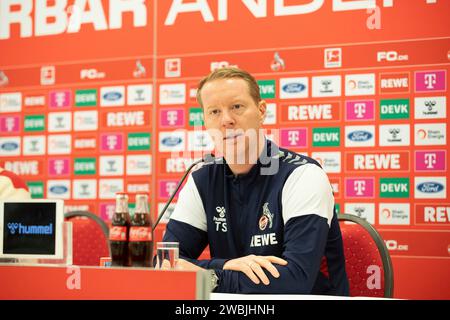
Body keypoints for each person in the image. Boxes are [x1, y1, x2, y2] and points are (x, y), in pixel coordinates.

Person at [162, 67, 349, 295]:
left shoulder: (303, 174)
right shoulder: (202, 180)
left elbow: (295, 280)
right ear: (205, 121)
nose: (226, 120)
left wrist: (207, 276)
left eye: (237, 107)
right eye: (214, 112)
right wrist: (225, 266)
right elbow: (165, 264)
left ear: (261, 111)